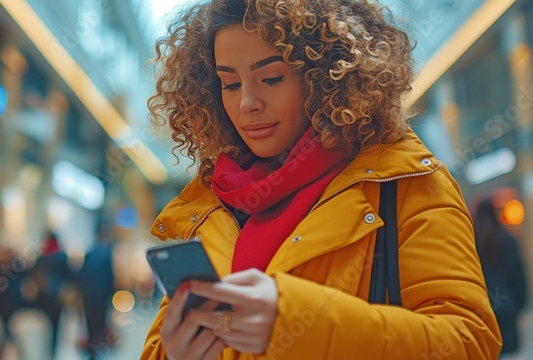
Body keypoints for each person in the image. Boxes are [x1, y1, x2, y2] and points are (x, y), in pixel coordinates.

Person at [141, 0, 502, 358]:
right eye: (230, 84)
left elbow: (467, 342)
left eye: (271, 78)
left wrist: (294, 321)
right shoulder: (207, 205)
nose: (246, 102)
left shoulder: (405, 182)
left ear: (328, 75)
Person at [472, 199, 528, 358]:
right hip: (505, 304)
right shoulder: (508, 240)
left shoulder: (471, 240)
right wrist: (519, 304)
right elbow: (519, 275)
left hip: (479, 307)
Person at [76, 227, 119, 359]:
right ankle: (99, 348)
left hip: (88, 296)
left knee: (90, 323)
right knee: (100, 324)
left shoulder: (89, 253)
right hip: (101, 297)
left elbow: (81, 275)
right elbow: (109, 277)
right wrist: (112, 293)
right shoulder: (107, 253)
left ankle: (91, 351)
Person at [28, 234, 71, 359]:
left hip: (42, 299)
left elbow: (31, 276)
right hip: (57, 299)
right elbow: (69, 277)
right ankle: (52, 353)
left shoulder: (41, 258)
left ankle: (43, 352)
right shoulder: (62, 257)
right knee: (55, 328)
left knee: (43, 328)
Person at [0, 247, 27, 360]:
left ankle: (8, 351)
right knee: (5, 331)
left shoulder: (16, 267)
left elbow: (19, 285)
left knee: (8, 330)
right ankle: (9, 351)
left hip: (12, 304)